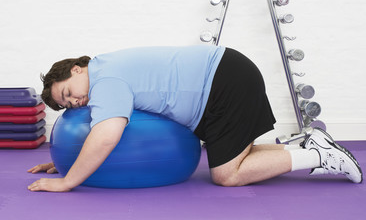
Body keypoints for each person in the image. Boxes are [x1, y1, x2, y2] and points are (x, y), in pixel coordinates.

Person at [27, 45, 363, 192]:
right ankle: (309, 143)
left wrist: (69, 181)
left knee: (226, 176)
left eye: (67, 92)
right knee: (237, 160)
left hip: (223, 84)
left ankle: (319, 155)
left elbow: (105, 136)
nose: (75, 102)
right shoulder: (106, 67)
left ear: (75, 69)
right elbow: (97, 138)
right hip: (225, 76)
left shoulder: (105, 81)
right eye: (68, 105)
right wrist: (68, 159)